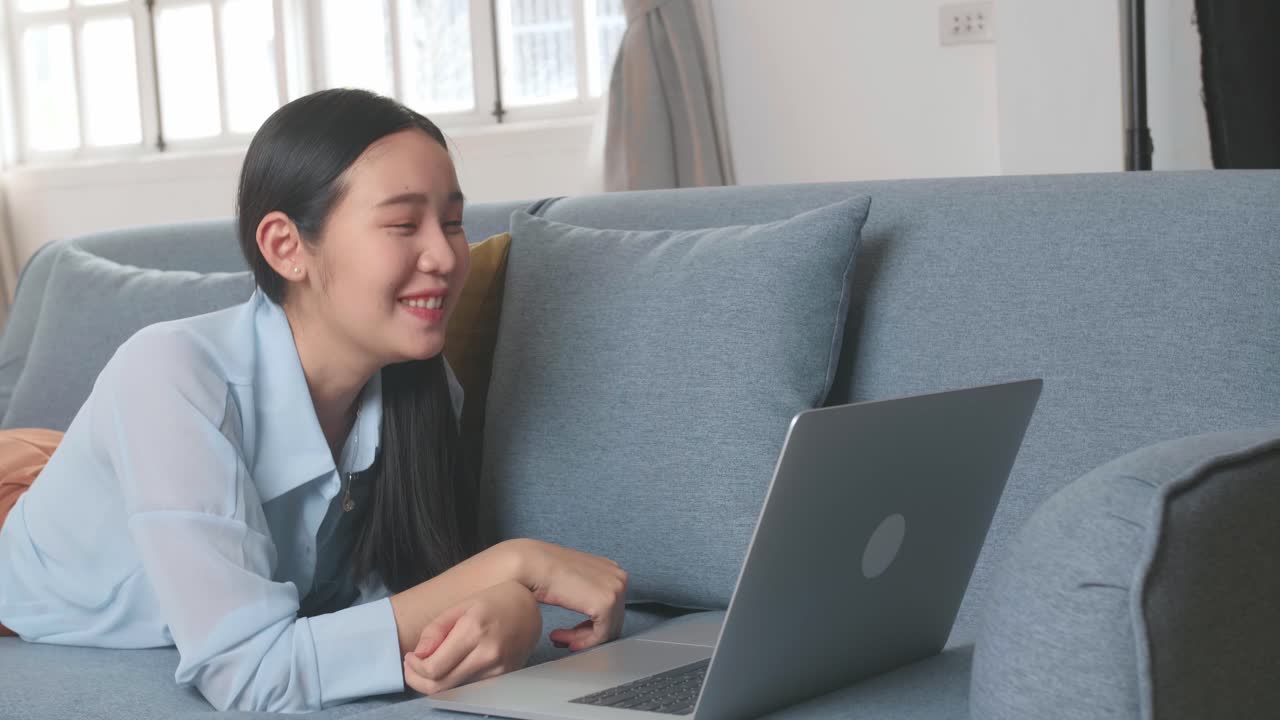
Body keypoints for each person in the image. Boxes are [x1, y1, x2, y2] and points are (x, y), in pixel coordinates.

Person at [0, 89, 628, 712]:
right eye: (404, 224)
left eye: (455, 222)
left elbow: (380, 602)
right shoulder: (168, 372)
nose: (443, 255)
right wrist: (517, 564)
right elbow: (250, 673)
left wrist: (509, 610)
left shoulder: (422, 385)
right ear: (285, 247)